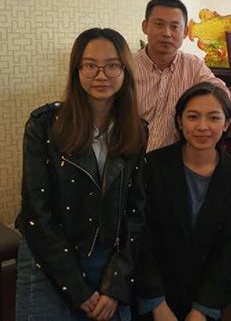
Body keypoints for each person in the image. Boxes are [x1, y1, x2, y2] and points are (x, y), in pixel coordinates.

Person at [15, 28, 147, 321]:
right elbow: (37, 212)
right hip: (48, 258)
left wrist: (115, 284)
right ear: (77, 70)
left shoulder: (136, 131)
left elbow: (135, 212)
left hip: (108, 259)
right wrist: (77, 288)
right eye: (90, 65)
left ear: (125, 71)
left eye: (112, 65)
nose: (101, 75)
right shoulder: (44, 125)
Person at [136, 82, 231, 321]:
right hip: (153, 296)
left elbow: (226, 247)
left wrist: (202, 308)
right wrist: (157, 303)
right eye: (193, 117)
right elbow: (142, 237)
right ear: (179, 121)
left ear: (226, 123)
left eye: (213, 118)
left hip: (204, 299)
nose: (202, 127)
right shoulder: (153, 166)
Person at [134, 0, 229, 152]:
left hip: (177, 158)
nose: (167, 33)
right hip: (131, 159)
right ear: (145, 26)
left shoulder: (193, 65)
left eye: (174, 27)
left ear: (185, 32)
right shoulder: (128, 67)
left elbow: (221, 91)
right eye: (159, 24)